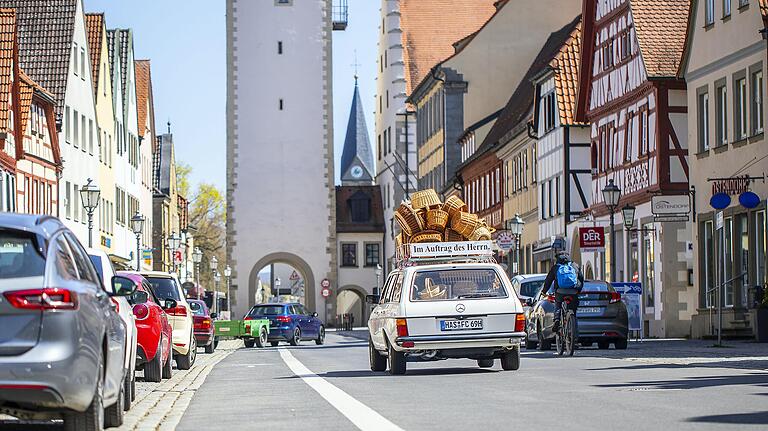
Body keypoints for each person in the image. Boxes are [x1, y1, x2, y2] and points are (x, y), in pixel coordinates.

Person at [540, 251, 584, 333]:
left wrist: (544, 292)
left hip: (560, 292)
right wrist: (579, 290)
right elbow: (581, 279)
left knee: (558, 304)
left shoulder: (556, 267)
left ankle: (557, 319)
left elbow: (548, 281)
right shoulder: (575, 266)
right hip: (573, 292)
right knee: (573, 312)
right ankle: (574, 333)